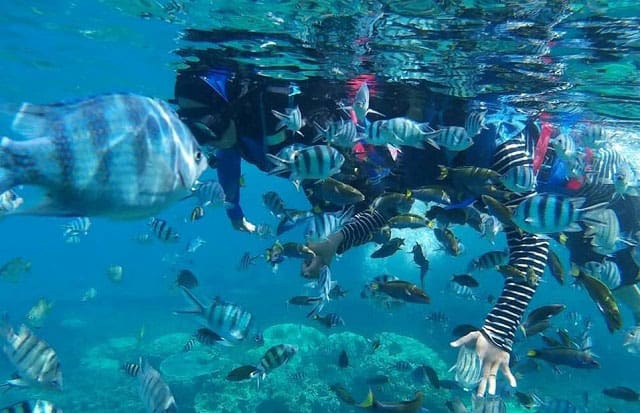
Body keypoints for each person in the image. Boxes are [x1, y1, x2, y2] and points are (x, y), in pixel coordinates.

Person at [301, 95, 553, 400]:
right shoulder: (414, 147)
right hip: (470, 194)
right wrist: (334, 242)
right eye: (413, 108)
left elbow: (533, 240)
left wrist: (501, 326)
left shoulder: (502, 145)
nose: (413, 115)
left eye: (417, 107)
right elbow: (385, 208)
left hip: (535, 177)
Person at [173, 67, 347, 232]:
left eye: (207, 127)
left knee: (355, 215)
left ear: (227, 112)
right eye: (192, 130)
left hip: (333, 165)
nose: (207, 142)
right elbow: (227, 160)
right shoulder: (232, 128)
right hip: (308, 175)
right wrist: (234, 212)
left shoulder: (269, 112)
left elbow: (337, 143)